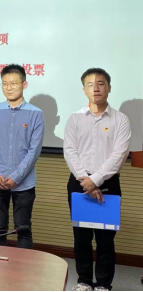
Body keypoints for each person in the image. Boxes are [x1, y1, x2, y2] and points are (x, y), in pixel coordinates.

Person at [64, 68, 131, 292]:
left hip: (108, 184)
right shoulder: (75, 119)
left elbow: (119, 155)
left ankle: (103, 284)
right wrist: (87, 181)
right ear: (84, 89)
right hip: (79, 183)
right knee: (81, 237)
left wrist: (96, 180)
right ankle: (83, 280)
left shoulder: (121, 120)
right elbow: (70, 152)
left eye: (101, 83)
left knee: (105, 239)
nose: (96, 88)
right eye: (90, 84)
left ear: (109, 88)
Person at [0, 64, 45, 249]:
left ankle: (23, 267)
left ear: (24, 84)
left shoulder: (36, 114)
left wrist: (16, 177)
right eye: (4, 83)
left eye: (13, 83)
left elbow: (34, 150)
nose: (8, 88)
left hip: (24, 184)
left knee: (23, 229)